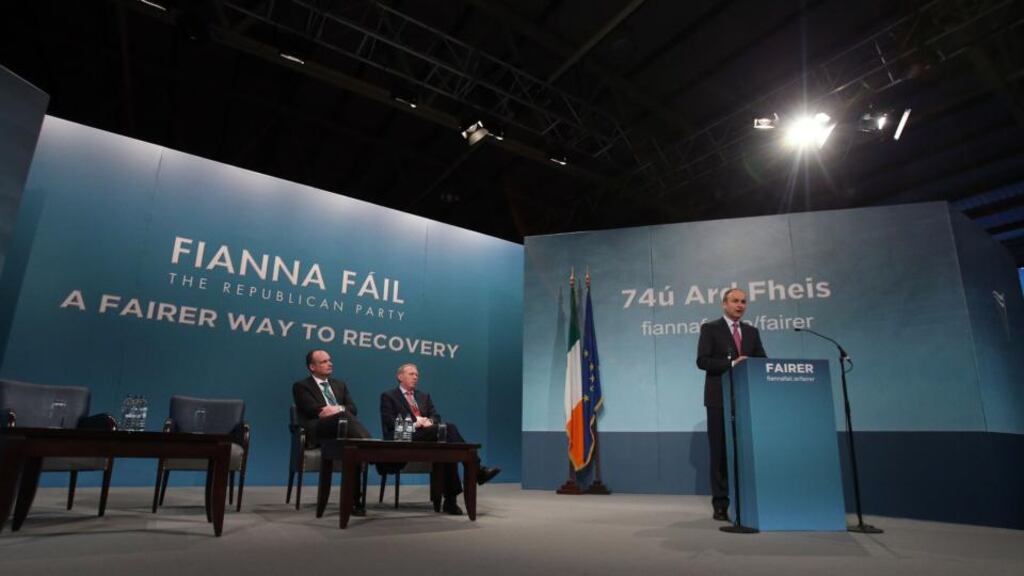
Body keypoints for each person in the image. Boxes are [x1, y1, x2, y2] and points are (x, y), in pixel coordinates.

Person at [380, 363, 501, 515]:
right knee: (448, 428)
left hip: (426, 436)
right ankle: (476, 470)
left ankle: (450, 501)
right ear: (400, 377)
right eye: (411, 374)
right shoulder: (389, 396)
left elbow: (436, 417)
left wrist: (429, 422)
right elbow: (389, 423)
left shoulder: (423, 396)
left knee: (447, 447)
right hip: (404, 437)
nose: (416, 377)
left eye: (417, 374)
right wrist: (416, 423)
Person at [696, 288, 767, 521]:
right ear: (724, 304)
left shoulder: (752, 332)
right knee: (720, 452)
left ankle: (747, 500)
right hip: (719, 399)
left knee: (745, 450)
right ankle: (721, 503)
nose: (740, 305)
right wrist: (732, 363)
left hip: (747, 399)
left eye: (744, 301)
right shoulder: (710, 329)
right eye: (735, 301)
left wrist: (751, 363)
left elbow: (762, 360)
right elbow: (703, 361)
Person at [293, 349, 372, 514]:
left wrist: (336, 409)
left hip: (343, 430)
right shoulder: (301, 386)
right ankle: (370, 448)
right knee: (344, 417)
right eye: (324, 362)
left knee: (353, 445)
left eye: (330, 360)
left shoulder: (339, 385)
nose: (330, 364)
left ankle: (355, 500)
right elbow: (311, 410)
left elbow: (353, 408)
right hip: (319, 430)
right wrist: (340, 411)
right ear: (312, 367)